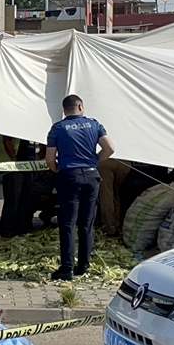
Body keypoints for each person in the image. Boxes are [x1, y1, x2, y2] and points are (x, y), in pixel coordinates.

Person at [46, 94, 115, 281]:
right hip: (92, 176)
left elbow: (50, 159)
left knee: (68, 223)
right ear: (81, 107)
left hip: (69, 176)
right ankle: (83, 265)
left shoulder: (58, 128)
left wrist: (57, 170)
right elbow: (110, 148)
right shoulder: (95, 124)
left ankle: (66, 268)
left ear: (64, 110)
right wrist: (94, 161)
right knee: (86, 224)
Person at [97, 157, 132, 237]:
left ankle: (109, 228)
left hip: (105, 161)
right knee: (115, 193)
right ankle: (116, 223)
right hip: (125, 163)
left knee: (106, 194)